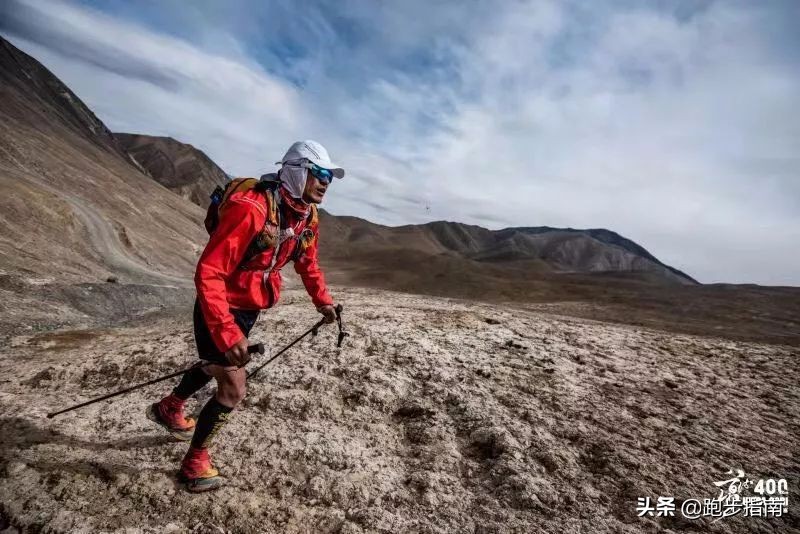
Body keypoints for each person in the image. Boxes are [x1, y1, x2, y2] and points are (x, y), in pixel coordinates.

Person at [146, 140, 344, 492]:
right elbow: (209, 272)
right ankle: (194, 464)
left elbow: (307, 262)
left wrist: (323, 301)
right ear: (297, 171)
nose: (326, 182)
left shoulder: (306, 216)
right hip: (218, 305)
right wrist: (226, 331)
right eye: (320, 173)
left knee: (216, 365)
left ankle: (169, 407)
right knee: (234, 387)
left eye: (330, 176)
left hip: (250, 305)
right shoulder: (250, 208)